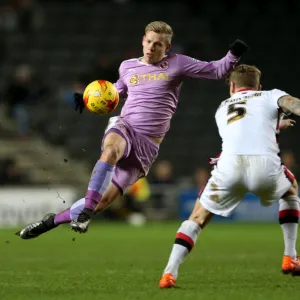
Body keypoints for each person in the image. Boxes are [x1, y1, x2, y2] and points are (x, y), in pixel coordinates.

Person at [16, 21, 248, 239]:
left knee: (104, 200)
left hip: (147, 145)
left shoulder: (177, 63)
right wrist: (88, 99)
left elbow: (216, 70)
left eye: (158, 44)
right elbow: (114, 94)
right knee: (110, 151)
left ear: (166, 47)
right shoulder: (127, 67)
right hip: (125, 127)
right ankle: (86, 212)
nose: (152, 47)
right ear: (143, 41)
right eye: (149, 41)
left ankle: (50, 222)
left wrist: (233, 54)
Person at [159, 64, 300, 288]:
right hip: (264, 165)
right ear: (259, 86)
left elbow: (244, 128)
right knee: (290, 188)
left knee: (197, 218)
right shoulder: (270, 94)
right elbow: (291, 104)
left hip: (229, 167)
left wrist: (276, 126)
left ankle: (169, 273)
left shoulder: (222, 107)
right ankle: (290, 256)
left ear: (232, 86)